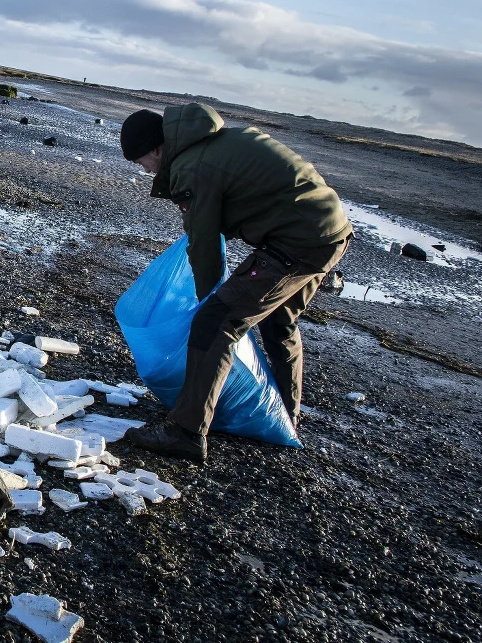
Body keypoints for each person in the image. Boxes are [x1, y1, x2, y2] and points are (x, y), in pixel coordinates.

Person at [118, 103, 352, 461]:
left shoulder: (191, 167)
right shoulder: (211, 142)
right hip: (328, 230)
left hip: (297, 241)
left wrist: (205, 307)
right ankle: (284, 415)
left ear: (156, 149)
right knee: (279, 321)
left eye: (142, 162)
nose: (146, 171)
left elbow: (206, 246)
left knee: (215, 321)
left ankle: (186, 431)